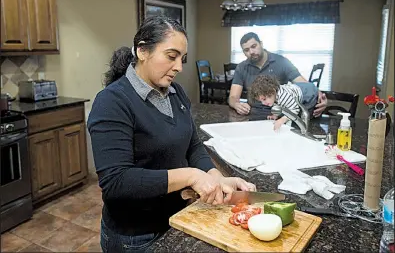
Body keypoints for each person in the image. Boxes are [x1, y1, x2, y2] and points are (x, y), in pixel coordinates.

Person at [87, 16, 256, 253]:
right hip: (135, 236)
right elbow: (116, 182)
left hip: (176, 218)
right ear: (143, 51)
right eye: (171, 56)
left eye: (182, 58)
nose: (179, 67)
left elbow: (193, 146)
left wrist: (215, 178)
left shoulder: (176, 93)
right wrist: (191, 176)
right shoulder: (112, 102)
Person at [228, 32, 327, 118]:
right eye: (246, 50)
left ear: (261, 44)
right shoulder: (241, 67)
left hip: (279, 114)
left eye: (254, 46)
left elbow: (303, 84)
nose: (251, 52)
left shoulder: (281, 62)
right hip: (253, 114)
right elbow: (233, 97)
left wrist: (319, 95)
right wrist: (236, 105)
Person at [250, 74, 319, 131]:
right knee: (289, 106)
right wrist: (275, 116)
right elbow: (278, 106)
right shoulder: (272, 96)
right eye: (261, 101)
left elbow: (294, 110)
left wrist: (282, 120)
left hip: (309, 93)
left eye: (264, 99)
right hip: (295, 89)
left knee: (304, 111)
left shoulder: (284, 96)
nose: (263, 103)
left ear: (272, 91)